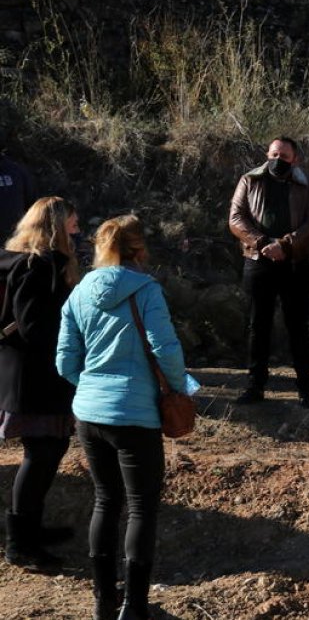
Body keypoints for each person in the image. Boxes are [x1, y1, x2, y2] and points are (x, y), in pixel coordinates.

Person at [57, 215, 187, 620]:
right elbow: (165, 348)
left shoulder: (78, 292)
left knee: (106, 500)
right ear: (139, 249)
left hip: (89, 414)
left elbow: (64, 360)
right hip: (135, 414)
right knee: (141, 507)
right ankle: (134, 606)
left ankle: (102, 601)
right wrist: (179, 388)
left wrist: (93, 387)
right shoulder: (147, 290)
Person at [0, 197, 80, 572]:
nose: (78, 227)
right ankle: (19, 544)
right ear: (57, 224)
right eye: (73, 221)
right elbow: (33, 327)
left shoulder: (26, 260)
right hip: (35, 378)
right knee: (40, 454)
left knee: (50, 449)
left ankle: (30, 530)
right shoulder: (37, 266)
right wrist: (73, 339)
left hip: (34, 374)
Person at [228, 137, 309, 407]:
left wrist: (285, 245)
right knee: (258, 325)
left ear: (295, 159)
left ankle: (305, 388)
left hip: (293, 263)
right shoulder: (249, 180)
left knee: (298, 326)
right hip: (258, 261)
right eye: (274, 154)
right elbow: (236, 218)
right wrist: (261, 243)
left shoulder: (305, 185)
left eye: (284, 155)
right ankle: (255, 386)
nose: (278, 159)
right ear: (267, 154)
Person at [0, 130, 37, 241]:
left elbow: (32, 207)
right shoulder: (18, 171)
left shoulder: (17, 171)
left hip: (14, 243)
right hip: (15, 243)